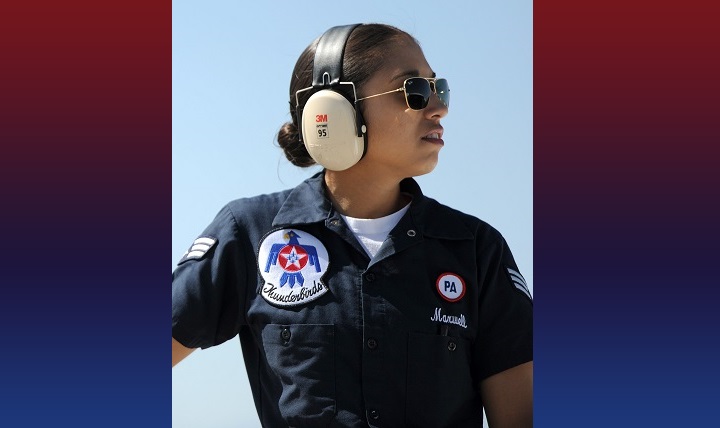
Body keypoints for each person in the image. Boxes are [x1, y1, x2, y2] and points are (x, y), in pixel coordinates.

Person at [172, 23, 532, 428]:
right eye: (414, 89)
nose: (439, 107)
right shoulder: (249, 233)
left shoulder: (476, 249)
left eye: (439, 88)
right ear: (333, 111)